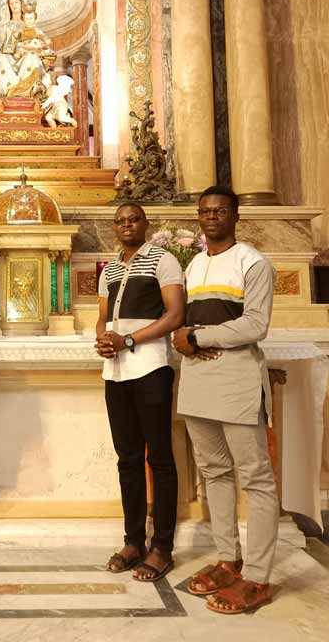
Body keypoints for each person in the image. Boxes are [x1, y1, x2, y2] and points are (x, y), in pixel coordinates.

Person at [173, 185, 278, 615]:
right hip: (198, 379)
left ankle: (258, 577)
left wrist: (199, 337)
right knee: (214, 473)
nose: (211, 217)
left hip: (236, 379)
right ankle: (228, 560)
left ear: (236, 216)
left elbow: (255, 325)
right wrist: (186, 338)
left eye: (220, 211)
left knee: (256, 478)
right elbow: (186, 321)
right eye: (205, 211)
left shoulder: (253, 262)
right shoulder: (195, 264)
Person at [95, 203, 185, 582]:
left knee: (159, 458)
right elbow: (103, 318)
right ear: (114, 228)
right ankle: (133, 542)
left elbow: (175, 315)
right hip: (116, 373)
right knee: (127, 459)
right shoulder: (110, 269)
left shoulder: (163, 260)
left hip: (151, 369)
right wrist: (103, 338)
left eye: (133, 219)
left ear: (145, 223)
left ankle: (162, 547)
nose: (127, 225)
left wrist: (128, 339)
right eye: (120, 221)